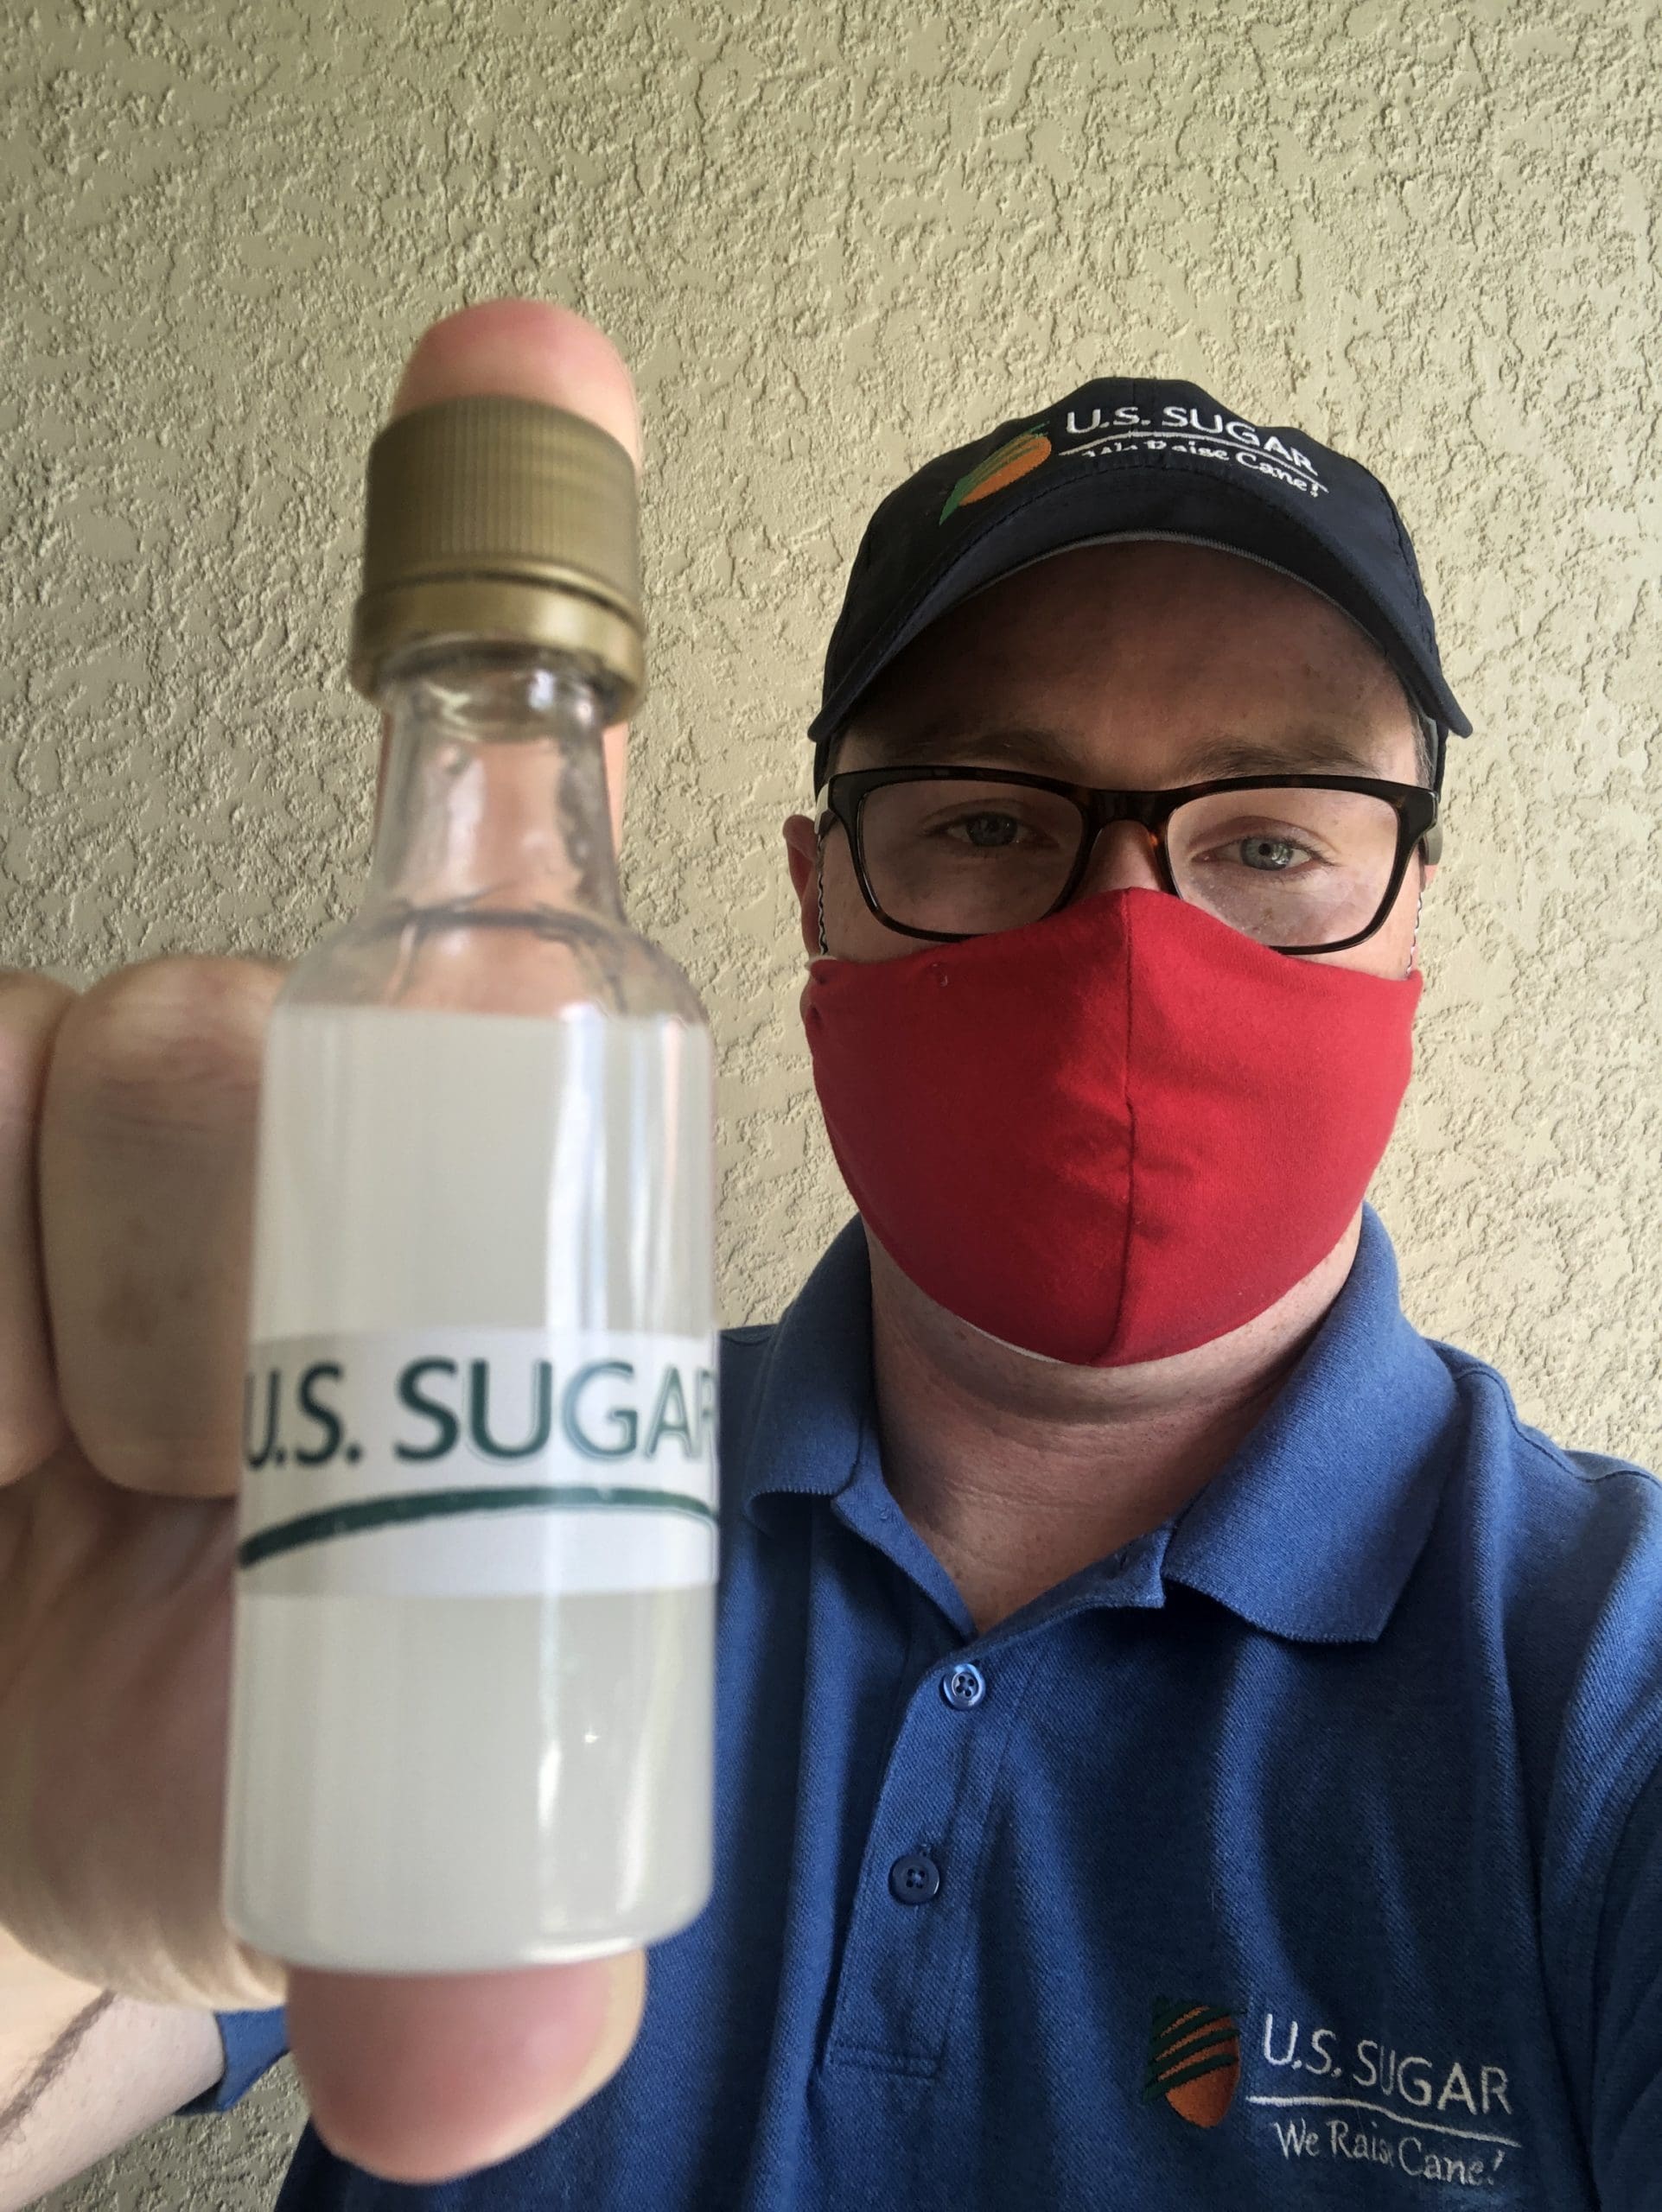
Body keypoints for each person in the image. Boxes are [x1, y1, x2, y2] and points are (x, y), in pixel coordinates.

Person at [3, 302, 1659, 2212]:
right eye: (979, 818)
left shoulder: (1601, 1680)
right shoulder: (465, 1488)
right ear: (816, 892)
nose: (1126, 933)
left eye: (1271, 840)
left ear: (1407, 914)